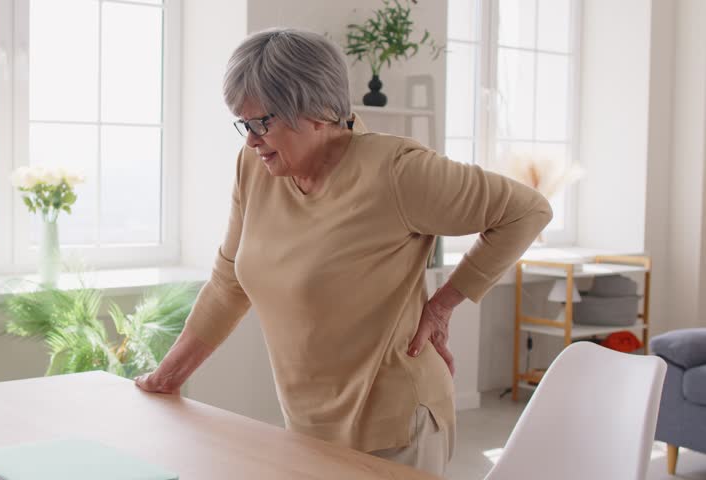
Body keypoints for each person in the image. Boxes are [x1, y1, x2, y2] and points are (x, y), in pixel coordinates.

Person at [136, 27, 552, 476]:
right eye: (244, 122)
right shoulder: (255, 168)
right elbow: (229, 281)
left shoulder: (396, 172)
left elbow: (527, 210)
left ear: (317, 113)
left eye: (263, 122)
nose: (252, 139)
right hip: (307, 423)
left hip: (396, 426)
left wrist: (445, 304)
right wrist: (168, 377)